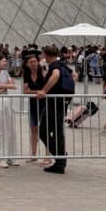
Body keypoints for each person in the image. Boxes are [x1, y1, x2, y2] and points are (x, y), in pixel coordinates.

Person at [36, 45, 68, 174]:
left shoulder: (55, 66)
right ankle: (60, 160)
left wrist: (44, 90)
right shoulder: (62, 64)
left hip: (53, 104)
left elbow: (55, 76)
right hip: (61, 102)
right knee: (58, 132)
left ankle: (60, 158)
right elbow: (75, 75)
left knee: (43, 131)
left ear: (47, 55)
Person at [22, 53, 50, 165]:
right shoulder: (27, 75)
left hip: (44, 104)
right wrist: (38, 92)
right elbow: (25, 91)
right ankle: (33, 155)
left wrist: (38, 92)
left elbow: (47, 88)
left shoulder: (43, 73)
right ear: (27, 65)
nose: (34, 63)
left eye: (35, 61)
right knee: (33, 130)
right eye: (31, 62)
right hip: (33, 105)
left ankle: (47, 156)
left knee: (45, 130)